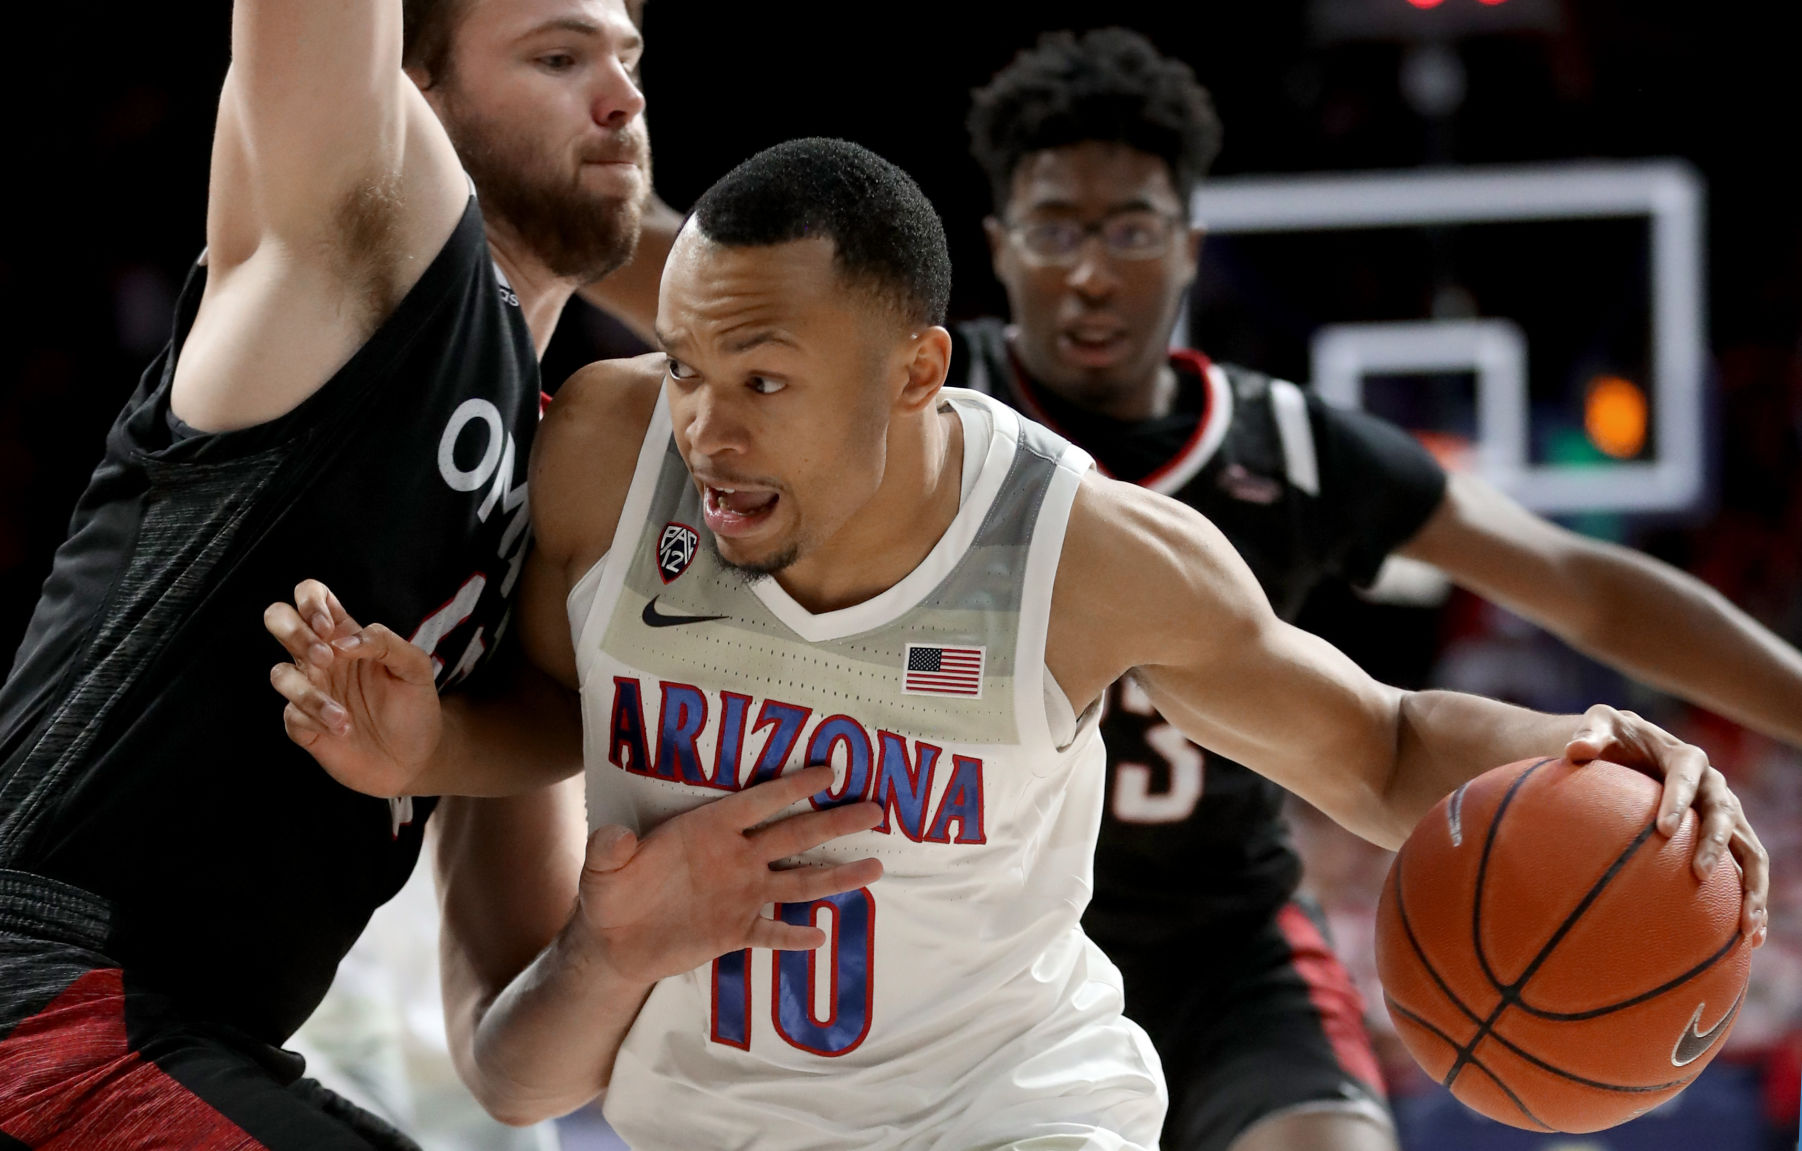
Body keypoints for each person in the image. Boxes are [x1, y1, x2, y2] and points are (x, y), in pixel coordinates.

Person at [264, 138, 1766, 1150]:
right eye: (691, 362)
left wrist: (1590, 752)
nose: (706, 425)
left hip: (1012, 1104)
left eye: (765, 380)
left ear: (917, 368)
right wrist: (437, 742)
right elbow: (551, 706)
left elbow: (1370, 745)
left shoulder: (1082, 553)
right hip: (704, 1114)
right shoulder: (608, 447)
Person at [954, 27, 1802, 1151]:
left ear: (1191, 243)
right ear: (1001, 245)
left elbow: (1580, 584)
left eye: (1130, 227)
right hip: (981, 931)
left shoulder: (1290, 445)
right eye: (1056, 228)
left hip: (1227, 938)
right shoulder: (931, 411)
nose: (1093, 267)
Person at [0, 1, 811, 1145]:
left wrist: (621, 936)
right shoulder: (367, 249)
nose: (621, 95)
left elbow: (514, 1066)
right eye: (559, 55)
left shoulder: (561, 503)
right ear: (413, 92)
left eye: (628, 60)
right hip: (46, 993)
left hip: (189, 1047)